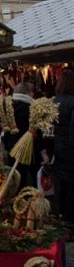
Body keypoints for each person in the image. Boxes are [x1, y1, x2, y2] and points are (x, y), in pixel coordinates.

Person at [3, 82, 36, 188]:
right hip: (25, 148)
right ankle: (25, 200)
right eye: (31, 92)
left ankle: (14, 199)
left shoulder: (9, 106)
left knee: (14, 177)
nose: (33, 94)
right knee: (24, 177)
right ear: (26, 93)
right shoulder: (30, 109)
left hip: (12, 146)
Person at [53, 69, 74, 228]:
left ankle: (61, 217)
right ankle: (69, 221)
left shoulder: (54, 101)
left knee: (62, 183)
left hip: (58, 148)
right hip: (70, 149)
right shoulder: (73, 102)